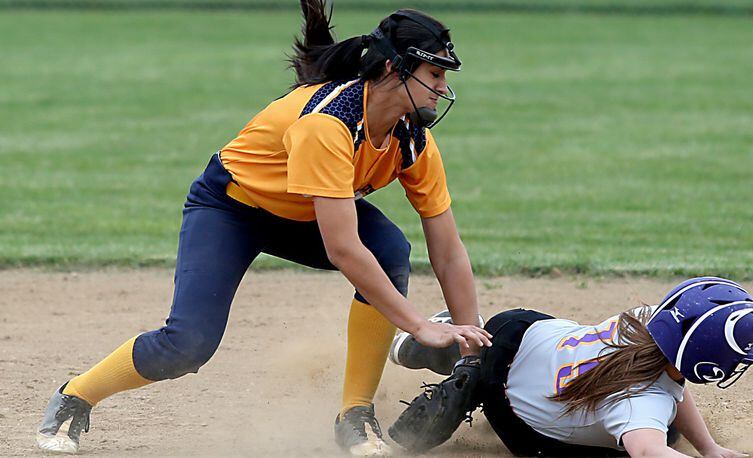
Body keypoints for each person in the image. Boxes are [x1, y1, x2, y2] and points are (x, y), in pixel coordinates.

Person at [35, 1, 492, 455]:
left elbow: (448, 251)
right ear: (395, 68)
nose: (442, 88)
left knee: (390, 248)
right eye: (434, 74)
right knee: (187, 345)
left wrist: (470, 346)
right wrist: (417, 326)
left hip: (305, 213)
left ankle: (355, 415)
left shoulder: (412, 139)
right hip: (230, 210)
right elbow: (344, 251)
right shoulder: (329, 124)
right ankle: (76, 395)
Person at [389, 277, 753, 457]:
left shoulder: (643, 318)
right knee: (665, 439)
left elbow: (672, 383)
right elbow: (648, 449)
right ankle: (473, 373)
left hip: (519, 326)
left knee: (664, 427)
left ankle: (464, 346)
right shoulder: (641, 405)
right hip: (512, 413)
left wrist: (710, 448)